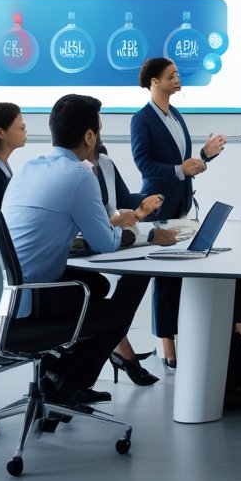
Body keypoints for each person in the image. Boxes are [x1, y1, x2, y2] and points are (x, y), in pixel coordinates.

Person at [1, 95, 161, 407]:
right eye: (98, 131)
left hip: (8, 294)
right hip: (34, 298)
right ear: (89, 136)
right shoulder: (79, 175)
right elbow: (105, 243)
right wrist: (144, 232)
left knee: (98, 285)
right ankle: (69, 382)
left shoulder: (29, 168)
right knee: (119, 312)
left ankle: (56, 374)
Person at [130, 57, 232, 368]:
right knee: (163, 276)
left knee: (177, 273)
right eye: (171, 76)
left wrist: (205, 155)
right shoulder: (142, 119)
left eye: (178, 74)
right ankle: (166, 344)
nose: (178, 79)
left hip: (183, 202)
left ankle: (175, 336)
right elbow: (143, 163)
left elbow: (186, 166)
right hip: (157, 203)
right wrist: (178, 169)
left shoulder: (175, 115)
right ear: (153, 82)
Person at [93, 143, 178, 387]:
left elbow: (123, 198)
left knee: (140, 271)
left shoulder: (105, 161)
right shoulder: (76, 173)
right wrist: (139, 220)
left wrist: (147, 201)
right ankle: (117, 345)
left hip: (110, 234)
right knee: (106, 283)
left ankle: (118, 343)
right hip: (94, 240)